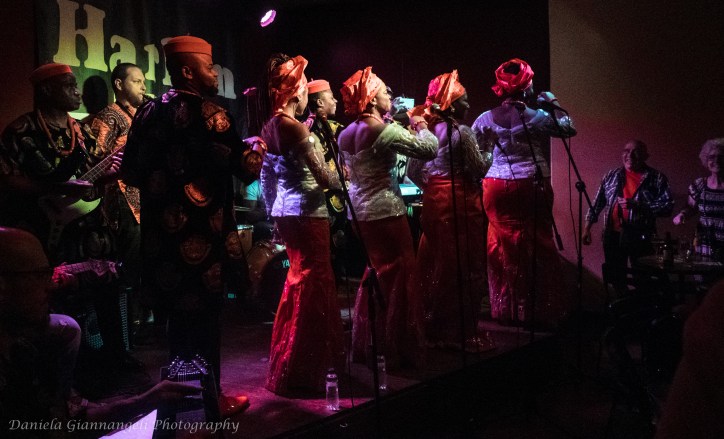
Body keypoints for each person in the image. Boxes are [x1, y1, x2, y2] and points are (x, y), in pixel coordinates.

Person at [121, 36, 259, 416]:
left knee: (177, 326)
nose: (214, 74)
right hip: (204, 243)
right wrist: (257, 147)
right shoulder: (213, 115)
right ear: (187, 71)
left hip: (161, 244)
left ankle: (180, 402)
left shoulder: (147, 112)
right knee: (205, 324)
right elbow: (247, 170)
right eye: (208, 67)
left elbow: (129, 173)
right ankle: (211, 403)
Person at [0, 62, 141, 377]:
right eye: (69, 86)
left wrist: (111, 174)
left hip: (87, 227)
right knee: (54, 295)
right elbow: (6, 179)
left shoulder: (81, 131)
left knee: (108, 283)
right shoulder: (21, 131)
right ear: (47, 90)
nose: (77, 91)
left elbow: (92, 177)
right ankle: (64, 366)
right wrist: (54, 188)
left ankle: (116, 357)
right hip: (43, 229)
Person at [0, 227, 201, 438]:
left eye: (48, 274)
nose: (51, 286)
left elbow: (67, 426)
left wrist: (146, 400)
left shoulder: (24, 353)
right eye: (38, 275)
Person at [338, 66, 438, 369]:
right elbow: (429, 149)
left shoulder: (345, 133)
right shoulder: (383, 130)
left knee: (377, 272)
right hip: (386, 211)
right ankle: (397, 345)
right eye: (384, 92)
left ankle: (372, 341)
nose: (389, 98)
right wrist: (420, 124)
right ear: (371, 99)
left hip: (359, 213)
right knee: (401, 273)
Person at [260, 54, 345, 396]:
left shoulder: (269, 126)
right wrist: (345, 176)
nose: (308, 94)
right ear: (296, 92)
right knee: (316, 283)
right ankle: (310, 367)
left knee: (298, 281)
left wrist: (273, 214)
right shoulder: (295, 128)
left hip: (286, 212)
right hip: (308, 213)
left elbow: (266, 178)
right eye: (306, 89)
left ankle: (291, 360)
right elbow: (324, 178)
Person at [472, 58, 576, 328]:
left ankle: (506, 309)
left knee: (500, 244)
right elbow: (569, 128)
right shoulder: (539, 117)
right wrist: (552, 101)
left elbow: (476, 153)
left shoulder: (484, 118)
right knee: (536, 241)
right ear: (527, 87)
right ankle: (535, 310)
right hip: (531, 182)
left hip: (495, 185)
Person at [407, 70, 493, 352]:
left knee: (435, 261)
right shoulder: (462, 132)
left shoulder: (426, 132)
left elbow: (412, 172)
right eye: (464, 100)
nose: (469, 104)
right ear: (452, 105)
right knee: (463, 264)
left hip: (434, 199)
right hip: (460, 200)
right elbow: (479, 168)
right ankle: (458, 332)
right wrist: (490, 149)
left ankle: (432, 326)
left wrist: (432, 185)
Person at [90, 62, 147, 340]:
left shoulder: (142, 116)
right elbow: (95, 160)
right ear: (119, 85)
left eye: (144, 81)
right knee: (127, 268)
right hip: (122, 203)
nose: (143, 87)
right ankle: (127, 332)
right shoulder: (109, 117)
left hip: (143, 201)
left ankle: (140, 324)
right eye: (137, 81)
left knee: (142, 267)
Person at [583, 140, 674, 293]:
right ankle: (623, 306)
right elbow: (597, 203)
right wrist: (587, 228)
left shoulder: (656, 178)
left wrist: (639, 205)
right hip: (612, 235)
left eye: (635, 152)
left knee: (643, 278)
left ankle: (640, 306)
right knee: (616, 279)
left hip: (641, 236)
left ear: (645, 156)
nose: (630, 155)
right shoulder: (611, 175)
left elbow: (668, 206)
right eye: (626, 151)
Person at [304, 79, 347, 275]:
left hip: (335, 198)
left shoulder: (336, 128)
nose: (336, 101)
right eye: (331, 97)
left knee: (336, 250)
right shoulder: (305, 130)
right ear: (320, 102)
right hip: (319, 199)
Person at [673, 138, 724, 258]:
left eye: (721, 157)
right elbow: (690, 207)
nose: (716, 161)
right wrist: (682, 215)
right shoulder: (699, 185)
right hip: (705, 243)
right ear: (706, 160)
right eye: (712, 157)